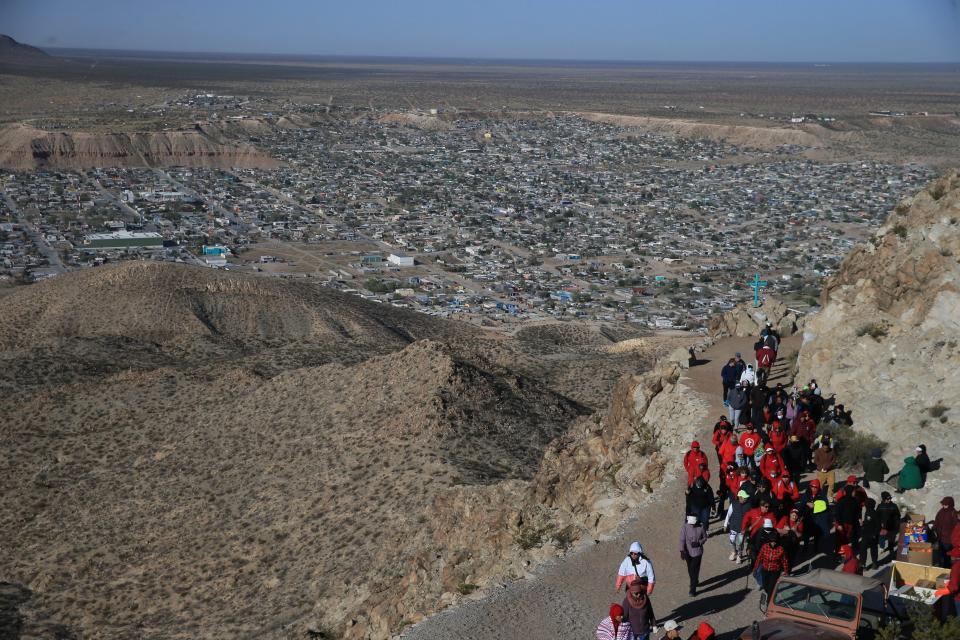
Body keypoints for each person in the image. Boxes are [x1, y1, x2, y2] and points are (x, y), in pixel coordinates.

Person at [754, 533, 789, 597]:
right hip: (765, 569)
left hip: (775, 571)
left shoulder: (780, 549)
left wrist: (786, 571)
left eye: (775, 541)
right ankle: (770, 594)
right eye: (772, 541)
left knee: (771, 587)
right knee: (765, 585)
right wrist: (755, 568)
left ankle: (769, 600)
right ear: (769, 541)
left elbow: (784, 561)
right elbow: (759, 558)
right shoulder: (764, 547)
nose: (773, 543)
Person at [680, 514, 707, 596]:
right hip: (687, 553)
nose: (691, 524)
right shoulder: (685, 527)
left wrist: (699, 542)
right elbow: (682, 539)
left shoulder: (701, 527)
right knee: (690, 569)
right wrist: (682, 551)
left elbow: (705, 537)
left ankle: (692, 589)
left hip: (698, 552)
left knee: (693, 570)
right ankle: (694, 581)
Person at [725, 489, 752, 563]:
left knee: (740, 543)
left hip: (742, 529)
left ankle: (740, 555)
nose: (746, 498)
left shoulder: (749, 506)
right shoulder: (733, 504)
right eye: (744, 497)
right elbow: (728, 514)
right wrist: (725, 524)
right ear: (740, 497)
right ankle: (734, 551)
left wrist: (750, 527)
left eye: (746, 497)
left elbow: (751, 517)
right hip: (733, 527)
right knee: (732, 540)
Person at [876, 491, 901, 563]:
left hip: (892, 526)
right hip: (883, 526)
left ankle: (891, 549)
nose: (889, 500)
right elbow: (877, 516)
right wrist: (879, 523)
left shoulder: (894, 506)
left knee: (891, 538)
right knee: (882, 537)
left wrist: (897, 523)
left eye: (890, 498)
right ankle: (881, 547)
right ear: (883, 499)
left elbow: (898, 515)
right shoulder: (880, 506)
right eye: (887, 499)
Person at [934, 497, 958, 568]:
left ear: (950, 505)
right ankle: (941, 568)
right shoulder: (941, 511)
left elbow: (956, 527)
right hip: (940, 538)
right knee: (941, 556)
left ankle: (947, 570)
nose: (944, 506)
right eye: (943, 504)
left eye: (946, 505)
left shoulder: (953, 513)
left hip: (948, 540)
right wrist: (934, 527)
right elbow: (937, 520)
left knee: (947, 558)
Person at [858, 498, 881, 571]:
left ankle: (874, 563)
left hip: (872, 535)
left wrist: (874, 534)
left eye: (866, 504)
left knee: (873, 549)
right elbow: (869, 522)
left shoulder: (874, 513)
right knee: (863, 549)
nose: (864, 505)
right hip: (866, 534)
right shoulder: (867, 511)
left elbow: (878, 525)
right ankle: (863, 564)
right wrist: (863, 523)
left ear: (869, 505)